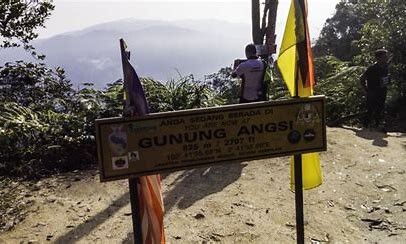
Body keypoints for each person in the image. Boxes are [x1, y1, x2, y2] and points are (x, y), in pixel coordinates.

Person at [360, 49, 390, 129]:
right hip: (372, 92)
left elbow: (385, 79)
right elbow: (362, 78)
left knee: (380, 110)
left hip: (382, 92)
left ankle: (377, 126)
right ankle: (365, 127)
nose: (386, 58)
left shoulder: (385, 68)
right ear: (378, 58)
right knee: (370, 110)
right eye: (384, 57)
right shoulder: (372, 68)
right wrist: (365, 90)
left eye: (386, 57)